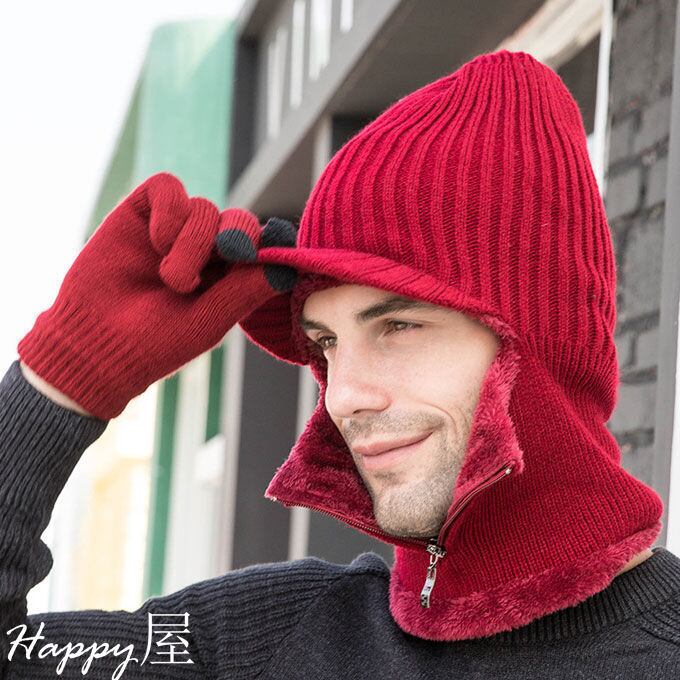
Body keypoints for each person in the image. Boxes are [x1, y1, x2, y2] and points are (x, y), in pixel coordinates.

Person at [2, 49, 679, 679]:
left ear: (540, 338)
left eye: (398, 326)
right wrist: (63, 381)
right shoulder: (260, 638)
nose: (341, 397)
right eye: (325, 343)